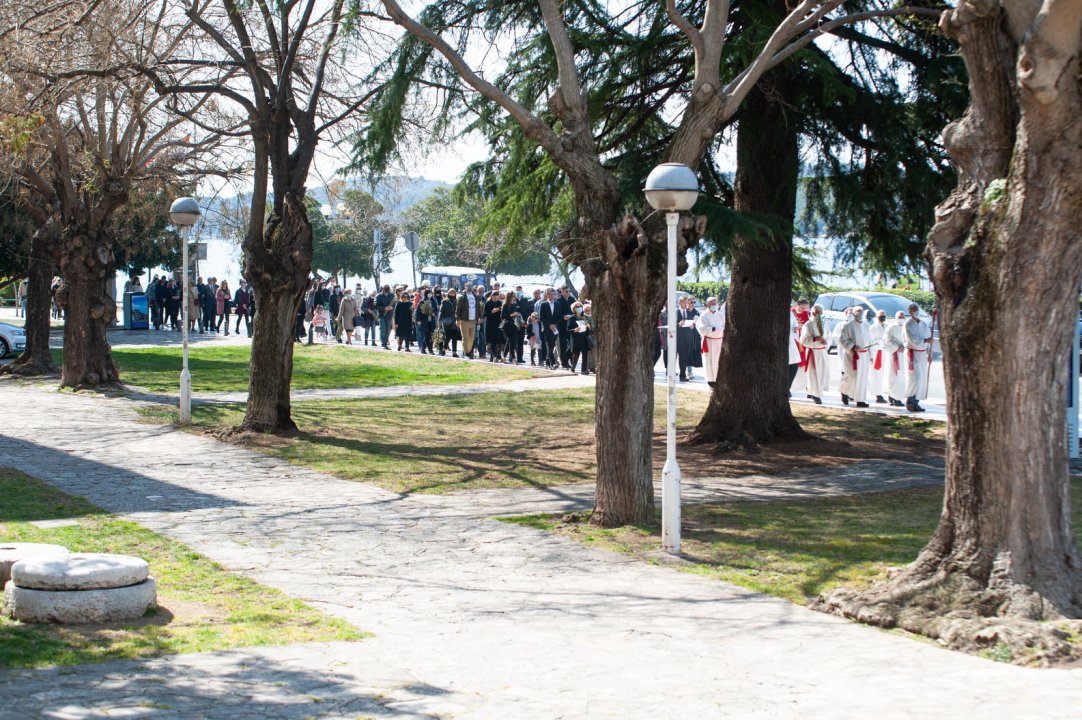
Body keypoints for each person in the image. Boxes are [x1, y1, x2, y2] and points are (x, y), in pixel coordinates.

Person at [837, 305, 871, 407]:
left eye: (861, 312)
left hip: (864, 355)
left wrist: (871, 354)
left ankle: (860, 399)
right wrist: (853, 346)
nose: (860, 314)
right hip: (852, 355)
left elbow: (869, 340)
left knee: (862, 378)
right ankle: (844, 391)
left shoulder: (866, 325)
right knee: (852, 376)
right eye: (858, 312)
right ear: (853, 314)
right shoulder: (848, 326)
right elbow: (842, 340)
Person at [904, 303, 932, 412]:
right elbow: (913, 339)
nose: (917, 311)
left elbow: (929, 339)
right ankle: (910, 401)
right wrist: (925, 341)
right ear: (910, 312)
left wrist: (929, 353)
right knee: (916, 378)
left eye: (917, 309)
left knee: (922, 380)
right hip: (913, 353)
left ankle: (916, 402)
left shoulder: (923, 324)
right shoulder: (908, 325)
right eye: (914, 310)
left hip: (922, 354)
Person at [800, 304, 830, 404]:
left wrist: (826, 342)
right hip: (813, 351)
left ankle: (814, 390)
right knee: (814, 373)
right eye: (818, 313)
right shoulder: (808, 324)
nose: (820, 315)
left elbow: (829, 336)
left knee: (823, 373)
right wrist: (814, 339)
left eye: (821, 313)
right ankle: (816, 395)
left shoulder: (824, 323)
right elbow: (803, 340)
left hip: (822, 351)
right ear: (813, 313)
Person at [695, 297, 725, 387]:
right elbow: (702, 329)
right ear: (707, 305)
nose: (714, 305)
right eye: (712, 304)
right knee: (709, 361)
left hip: (718, 341)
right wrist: (714, 329)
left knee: (717, 360)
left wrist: (719, 331)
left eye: (715, 304)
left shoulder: (721, 315)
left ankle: (718, 379)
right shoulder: (704, 315)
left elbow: (724, 327)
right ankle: (710, 380)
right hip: (708, 341)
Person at [675, 296, 701, 382]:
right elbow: (672, 324)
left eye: (686, 303)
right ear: (680, 303)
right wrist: (679, 324)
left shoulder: (689, 313)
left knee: (686, 355)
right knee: (682, 355)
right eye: (684, 302)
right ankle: (682, 375)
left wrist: (692, 326)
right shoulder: (676, 312)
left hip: (688, 337)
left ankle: (683, 373)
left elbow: (694, 325)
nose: (686, 304)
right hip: (679, 337)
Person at [886, 311, 908, 407]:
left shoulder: (906, 328)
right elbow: (886, 341)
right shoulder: (891, 327)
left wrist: (905, 347)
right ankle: (892, 396)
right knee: (894, 376)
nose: (901, 318)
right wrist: (897, 348)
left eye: (903, 317)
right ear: (896, 318)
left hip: (903, 356)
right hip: (894, 355)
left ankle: (899, 398)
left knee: (902, 377)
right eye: (899, 317)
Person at [868, 311, 889, 404]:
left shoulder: (887, 326)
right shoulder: (873, 327)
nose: (882, 317)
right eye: (881, 316)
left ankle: (886, 393)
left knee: (885, 374)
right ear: (877, 317)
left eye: (884, 316)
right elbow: (871, 341)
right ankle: (878, 394)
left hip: (886, 353)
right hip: (877, 353)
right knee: (877, 375)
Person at [568, 301, 593, 374]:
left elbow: (590, 327)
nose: (579, 308)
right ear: (574, 309)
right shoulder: (572, 318)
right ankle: (573, 367)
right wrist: (574, 330)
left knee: (585, 354)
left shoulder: (584, 316)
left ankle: (584, 369)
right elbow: (568, 329)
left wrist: (589, 326)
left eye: (580, 306)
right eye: (577, 307)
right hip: (576, 337)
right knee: (576, 354)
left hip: (584, 337)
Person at [456, 284, 480, 359]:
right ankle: (466, 352)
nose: (470, 288)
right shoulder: (462, 297)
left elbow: (478, 308)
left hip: (473, 320)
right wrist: (457, 319)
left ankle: (469, 351)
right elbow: (458, 309)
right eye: (468, 286)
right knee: (465, 337)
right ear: (465, 287)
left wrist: (480, 317)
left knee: (472, 337)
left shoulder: (475, 297)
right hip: (464, 320)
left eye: (471, 286)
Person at [539, 287, 560, 369]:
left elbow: (559, 316)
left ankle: (547, 362)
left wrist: (555, 325)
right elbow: (542, 317)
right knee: (549, 345)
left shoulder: (557, 304)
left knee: (552, 344)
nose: (552, 296)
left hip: (555, 328)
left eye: (553, 294)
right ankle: (552, 362)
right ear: (547, 295)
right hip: (547, 328)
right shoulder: (543, 304)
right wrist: (549, 325)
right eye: (550, 294)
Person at [501, 291, 524, 365]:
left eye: (514, 296)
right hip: (508, 325)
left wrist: (517, 315)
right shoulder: (505, 305)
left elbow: (515, 313)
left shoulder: (514, 305)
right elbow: (502, 316)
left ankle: (504, 356)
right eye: (512, 296)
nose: (514, 298)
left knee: (509, 342)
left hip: (514, 325)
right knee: (511, 342)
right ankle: (513, 358)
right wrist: (511, 314)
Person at [555, 286, 575, 369]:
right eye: (566, 291)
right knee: (562, 345)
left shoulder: (572, 300)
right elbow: (557, 314)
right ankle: (564, 363)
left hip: (571, 325)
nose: (568, 293)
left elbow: (575, 310)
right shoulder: (558, 301)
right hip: (562, 325)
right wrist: (563, 317)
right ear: (562, 292)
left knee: (572, 345)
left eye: (569, 291)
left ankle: (568, 358)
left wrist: (572, 316)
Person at [483, 290, 504, 360]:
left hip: (497, 323)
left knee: (498, 340)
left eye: (497, 298)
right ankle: (493, 355)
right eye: (494, 298)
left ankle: (497, 355)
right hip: (490, 323)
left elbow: (501, 312)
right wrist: (492, 311)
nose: (495, 299)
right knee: (491, 341)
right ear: (492, 297)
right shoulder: (488, 303)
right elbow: (485, 313)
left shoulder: (499, 303)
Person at [415, 288, 437, 354]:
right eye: (428, 293)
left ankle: (423, 348)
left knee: (430, 335)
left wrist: (434, 313)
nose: (429, 295)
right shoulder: (422, 301)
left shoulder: (433, 301)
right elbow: (418, 311)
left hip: (431, 320)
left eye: (430, 293)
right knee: (426, 335)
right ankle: (430, 350)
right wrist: (418, 319)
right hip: (425, 320)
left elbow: (436, 309)